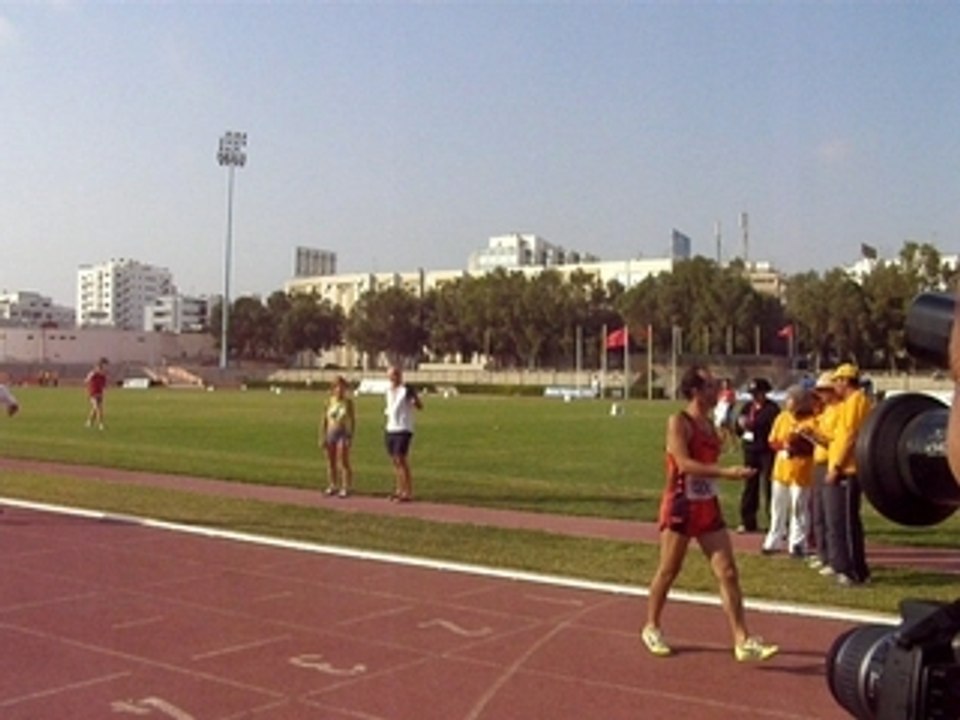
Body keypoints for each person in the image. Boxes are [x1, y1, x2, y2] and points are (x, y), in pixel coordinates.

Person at [641, 365, 778, 662]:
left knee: (727, 572)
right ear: (695, 391)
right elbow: (683, 464)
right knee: (668, 570)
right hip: (680, 503)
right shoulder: (679, 422)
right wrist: (726, 472)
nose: (718, 391)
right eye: (711, 386)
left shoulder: (710, 425)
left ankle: (742, 639)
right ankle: (652, 625)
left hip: (707, 505)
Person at [823, 363, 873, 586]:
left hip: (847, 469)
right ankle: (843, 566)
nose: (834, 386)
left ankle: (854, 571)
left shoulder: (857, 401)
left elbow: (851, 436)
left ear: (845, 381)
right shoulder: (846, 404)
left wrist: (837, 467)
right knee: (837, 520)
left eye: (836, 381)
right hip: (840, 466)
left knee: (846, 521)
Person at [762, 385, 817, 557]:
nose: (787, 402)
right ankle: (774, 540)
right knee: (777, 506)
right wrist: (784, 445)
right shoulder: (782, 417)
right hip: (781, 469)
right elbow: (772, 441)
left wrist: (798, 445)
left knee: (799, 507)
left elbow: (813, 445)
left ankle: (798, 543)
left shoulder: (812, 420)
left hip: (801, 470)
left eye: (791, 399)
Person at [804, 372, 841, 575]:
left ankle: (833, 559)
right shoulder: (826, 412)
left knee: (829, 515)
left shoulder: (837, 411)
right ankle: (823, 553)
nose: (820, 395)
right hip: (818, 462)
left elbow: (833, 440)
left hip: (828, 461)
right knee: (817, 512)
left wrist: (814, 435)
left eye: (823, 391)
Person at [733, 377, 779, 533]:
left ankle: (774, 522)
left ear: (764, 393)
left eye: (758, 393)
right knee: (750, 486)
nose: (755, 396)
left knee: (770, 486)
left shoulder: (772, 409)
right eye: (753, 393)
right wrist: (740, 425)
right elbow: (738, 429)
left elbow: (774, 429)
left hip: (766, 451)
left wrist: (754, 426)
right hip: (750, 451)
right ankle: (747, 521)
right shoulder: (747, 407)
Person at [384, 366, 422, 502]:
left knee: (401, 459)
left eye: (395, 374)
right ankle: (399, 490)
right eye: (390, 375)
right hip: (391, 428)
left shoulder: (406, 390)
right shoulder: (388, 390)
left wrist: (414, 398)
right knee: (395, 461)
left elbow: (419, 406)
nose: (392, 377)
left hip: (404, 428)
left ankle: (408, 492)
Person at [321, 376, 356, 498]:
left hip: (343, 433)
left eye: (342, 387)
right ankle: (332, 485)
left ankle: (346, 487)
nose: (340, 389)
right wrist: (322, 436)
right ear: (333, 388)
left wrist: (351, 435)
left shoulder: (348, 402)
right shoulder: (329, 401)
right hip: (331, 432)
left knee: (343, 461)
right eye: (337, 387)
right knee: (331, 461)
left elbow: (352, 420)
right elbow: (324, 420)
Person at [85, 358, 108, 430]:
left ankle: (89, 422)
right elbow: (86, 380)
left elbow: (104, 386)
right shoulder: (93, 374)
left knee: (95, 409)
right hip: (93, 393)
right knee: (98, 408)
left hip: (99, 393)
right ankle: (101, 424)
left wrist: (103, 393)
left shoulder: (103, 376)